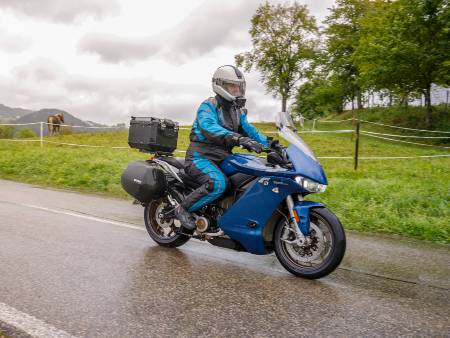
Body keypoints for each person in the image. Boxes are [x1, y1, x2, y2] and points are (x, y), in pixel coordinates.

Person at [174, 65, 272, 230]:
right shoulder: (208, 106)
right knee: (218, 183)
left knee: (246, 175)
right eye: (232, 86)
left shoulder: (237, 112)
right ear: (221, 85)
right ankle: (182, 208)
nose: (236, 90)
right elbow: (209, 127)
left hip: (223, 156)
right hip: (201, 157)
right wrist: (238, 139)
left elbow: (251, 131)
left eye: (238, 86)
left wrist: (271, 145)